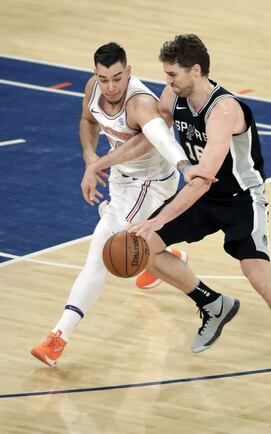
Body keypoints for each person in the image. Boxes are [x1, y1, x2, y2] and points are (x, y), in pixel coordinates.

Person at [87, 34, 271, 399]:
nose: (167, 81)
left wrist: (157, 219)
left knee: (259, 276)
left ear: (196, 70)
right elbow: (152, 137)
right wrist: (103, 161)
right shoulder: (174, 95)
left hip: (239, 197)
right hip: (202, 195)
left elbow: (203, 179)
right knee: (143, 247)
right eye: (166, 74)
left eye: (173, 74)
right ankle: (211, 302)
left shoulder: (224, 110)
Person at [30, 41, 211, 367]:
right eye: (104, 79)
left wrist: (186, 167)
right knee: (131, 243)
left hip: (151, 184)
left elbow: (159, 136)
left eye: (117, 78)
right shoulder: (94, 88)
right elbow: (88, 121)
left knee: (102, 248)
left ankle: (59, 335)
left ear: (128, 71)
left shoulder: (140, 103)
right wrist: (90, 158)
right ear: (95, 75)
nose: (111, 87)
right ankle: (160, 257)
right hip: (121, 177)